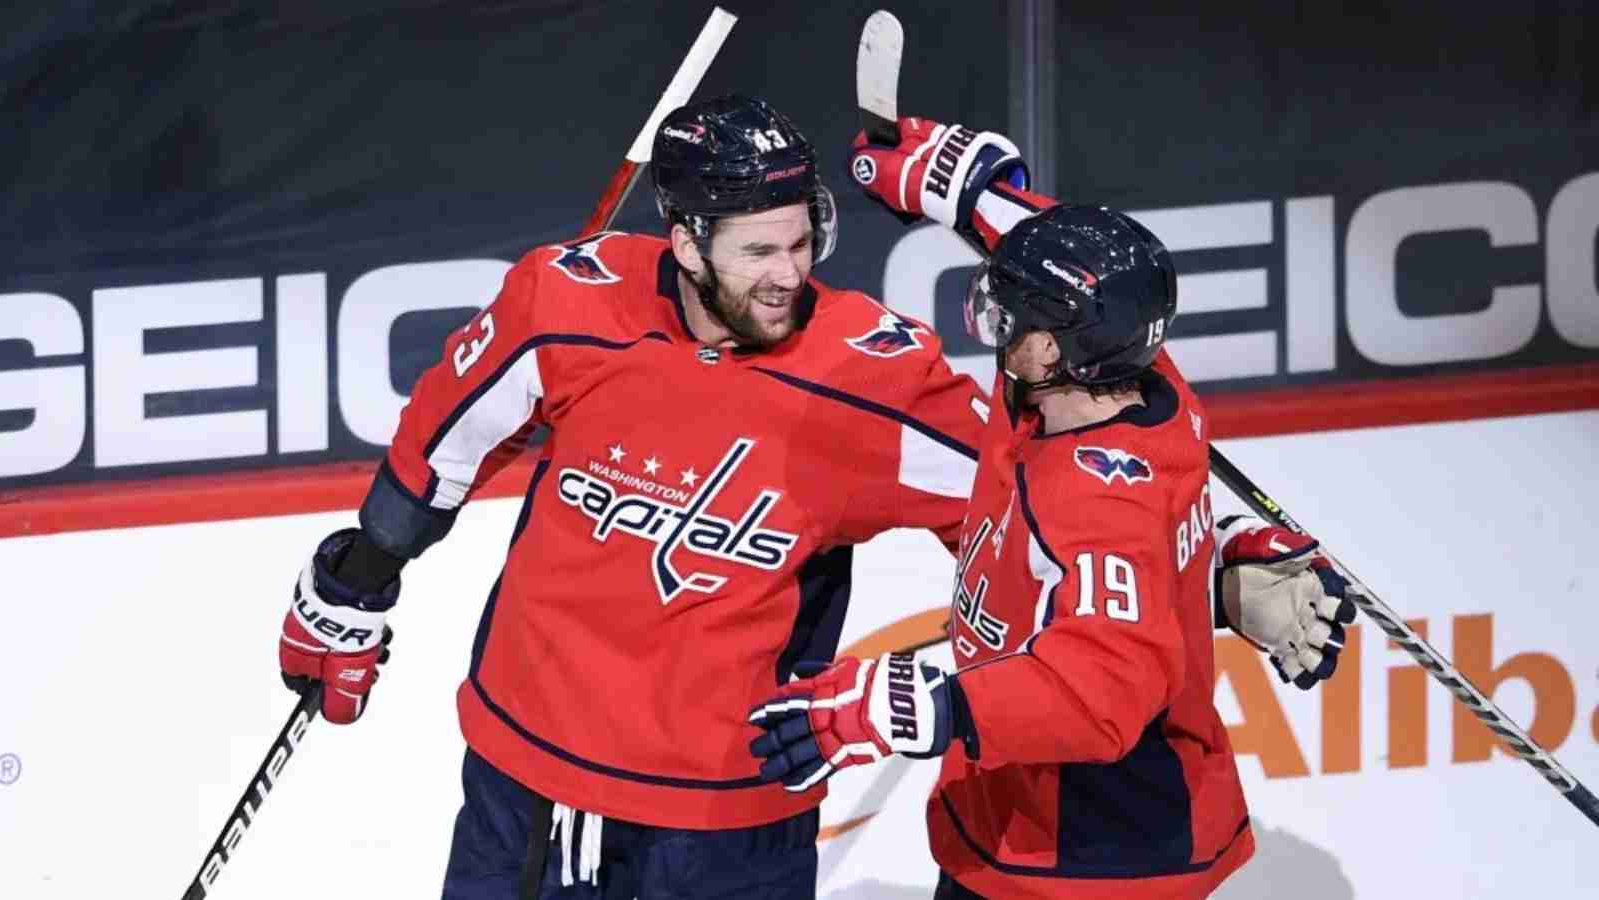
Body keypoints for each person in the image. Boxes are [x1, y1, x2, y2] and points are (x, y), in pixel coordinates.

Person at [276, 96, 1353, 899]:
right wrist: (356, 578)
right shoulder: (568, 298)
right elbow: (442, 433)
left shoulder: (870, 375)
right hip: (529, 774)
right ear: (685, 239)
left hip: (732, 809)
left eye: (804, 241)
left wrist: (1208, 571)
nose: (787, 273)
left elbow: (1039, 493)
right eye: (756, 251)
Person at [749, 115, 1357, 900]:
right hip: (1017, 799)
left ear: (1058, 347)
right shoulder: (1115, 371)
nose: (991, 325)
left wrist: (917, 704)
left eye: (1009, 316)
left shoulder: (1099, 500)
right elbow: (1061, 254)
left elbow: (1103, 691)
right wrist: (971, 191)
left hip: (1088, 854)